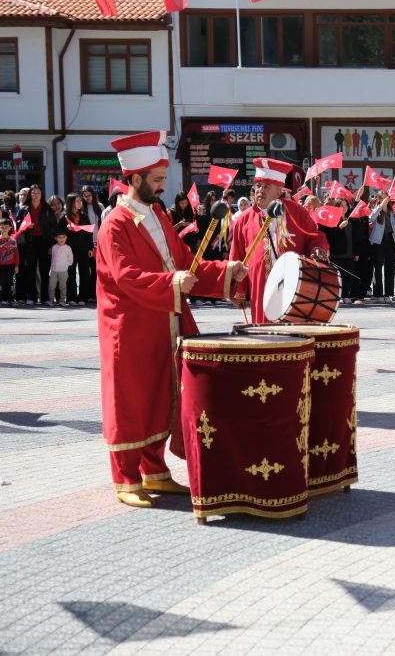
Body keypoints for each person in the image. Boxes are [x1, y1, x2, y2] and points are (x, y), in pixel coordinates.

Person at [97, 130, 248, 507]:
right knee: (131, 399)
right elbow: (125, 276)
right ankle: (126, 478)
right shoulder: (115, 223)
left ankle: (155, 469)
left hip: (165, 320)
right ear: (134, 179)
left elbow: (185, 262)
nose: (164, 187)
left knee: (163, 394)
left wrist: (228, 272)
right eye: (157, 180)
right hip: (131, 328)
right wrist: (172, 282)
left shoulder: (158, 215)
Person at [229, 158, 329, 322]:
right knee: (265, 339)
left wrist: (317, 248)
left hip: (295, 288)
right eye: (258, 186)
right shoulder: (244, 219)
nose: (260, 190)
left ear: (279, 190)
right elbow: (236, 257)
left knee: (294, 340)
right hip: (261, 289)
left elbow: (315, 236)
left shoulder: (297, 212)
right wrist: (237, 290)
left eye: (266, 186)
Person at [16, 184, 55, 305]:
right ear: (30, 194)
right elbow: (18, 225)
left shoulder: (47, 208)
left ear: (42, 194)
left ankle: (44, 298)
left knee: (44, 270)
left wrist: (51, 245)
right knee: (30, 270)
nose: (36, 195)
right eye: (33, 193)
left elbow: (53, 227)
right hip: (30, 241)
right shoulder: (24, 208)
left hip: (44, 241)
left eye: (38, 193)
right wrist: (26, 226)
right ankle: (31, 297)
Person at [368, 191, 395, 304]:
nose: (384, 200)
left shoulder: (393, 213)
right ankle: (378, 294)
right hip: (378, 241)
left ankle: (388, 294)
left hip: (391, 241)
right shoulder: (377, 210)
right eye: (381, 198)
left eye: (385, 198)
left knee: (390, 268)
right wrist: (380, 206)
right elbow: (370, 218)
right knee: (377, 268)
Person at [64, 193, 94, 304]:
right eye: (77, 201)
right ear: (71, 202)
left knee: (84, 273)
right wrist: (66, 229)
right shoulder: (65, 217)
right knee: (70, 273)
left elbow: (89, 232)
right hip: (70, 249)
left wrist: (90, 248)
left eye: (80, 201)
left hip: (83, 248)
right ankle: (71, 297)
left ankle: (83, 297)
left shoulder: (84, 215)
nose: (79, 203)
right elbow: (59, 233)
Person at [0, 219, 18, 306]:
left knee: (11, 283)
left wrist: (16, 265)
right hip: (1, 266)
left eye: (6, 227)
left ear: (10, 228)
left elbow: (16, 254)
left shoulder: (13, 240)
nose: (4, 229)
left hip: (11, 265)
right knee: (0, 283)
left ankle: (11, 299)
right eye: (2, 227)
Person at [48, 230, 74, 306]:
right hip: (54, 270)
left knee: (62, 286)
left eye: (63, 237)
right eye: (59, 237)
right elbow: (53, 257)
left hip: (63, 270)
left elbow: (70, 259)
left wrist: (66, 266)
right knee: (52, 286)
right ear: (56, 238)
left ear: (66, 238)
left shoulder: (68, 248)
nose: (61, 239)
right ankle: (51, 300)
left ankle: (62, 300)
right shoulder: (54, 247)